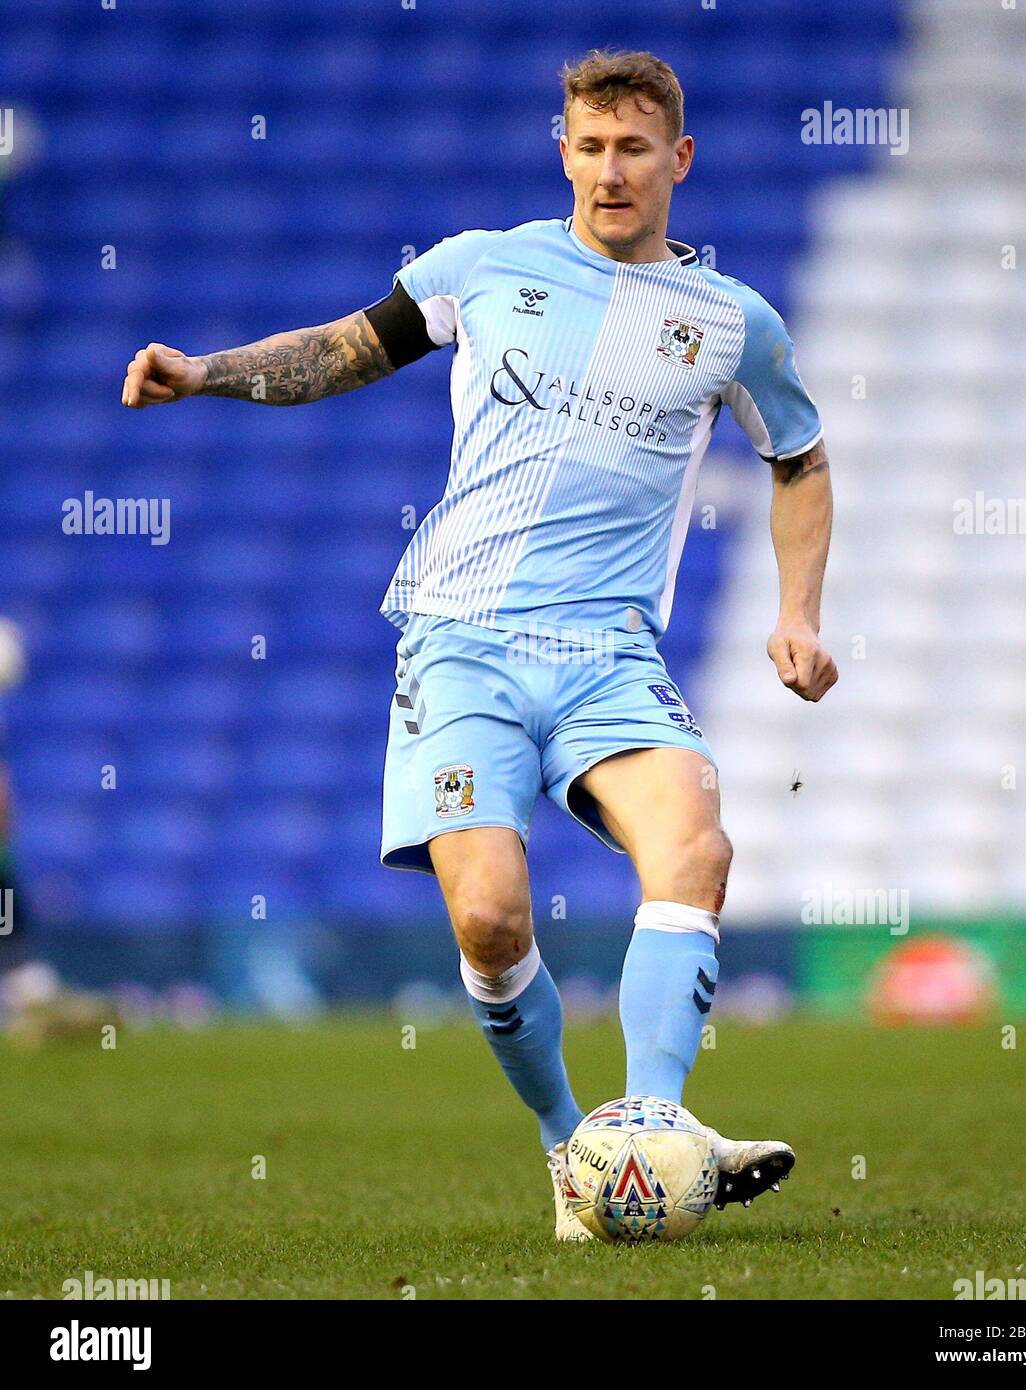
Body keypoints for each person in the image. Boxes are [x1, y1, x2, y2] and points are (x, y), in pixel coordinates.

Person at [121, 48, 837, 1240]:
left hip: (610, 653)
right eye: (590, 146)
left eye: (634, 148)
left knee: (696, 847)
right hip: (461, 642)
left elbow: (799, 461)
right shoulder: (485, 267)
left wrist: (798, 611)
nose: (611, 171)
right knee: (492, 919)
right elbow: (343, 349)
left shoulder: (730, 323)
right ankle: (572, 1152)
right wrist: (206, 373)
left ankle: (647, 1135)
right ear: (562, 151)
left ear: (679, 159)